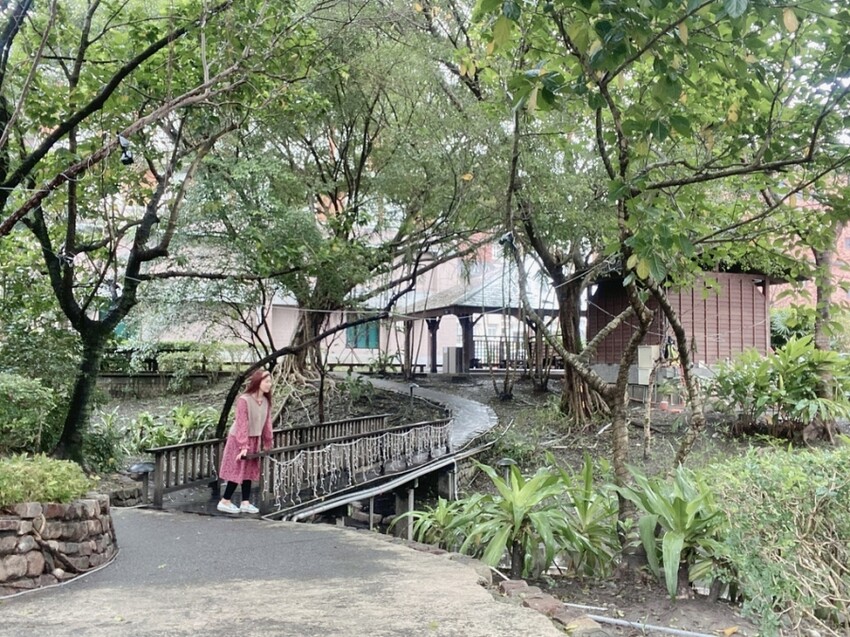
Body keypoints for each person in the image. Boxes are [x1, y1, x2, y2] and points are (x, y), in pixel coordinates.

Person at [217, 369, 273, 514]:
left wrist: (268, 441)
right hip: (239, 438)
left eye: (270, 381)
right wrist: (243, 446)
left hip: (254, 438)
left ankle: (245, 502)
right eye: (266, 381)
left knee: (249, 470)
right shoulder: (244, 400)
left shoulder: (266, 401)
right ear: (258, 382)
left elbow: (267, 423)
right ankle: (225, 500)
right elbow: (242, 422)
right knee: (238, 468)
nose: (269, 384)